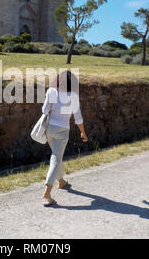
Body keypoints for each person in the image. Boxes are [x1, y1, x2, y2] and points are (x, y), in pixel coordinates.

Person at [42, 71, 88, 207]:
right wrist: (83, 133)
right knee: (56, 158)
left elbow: (44, 110)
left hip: (49, 129)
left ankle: (61, 181)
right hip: (62, 131)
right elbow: (78, 118)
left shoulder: (51, 91)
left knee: (57, 157)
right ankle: (46, 194)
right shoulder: (73, 96)